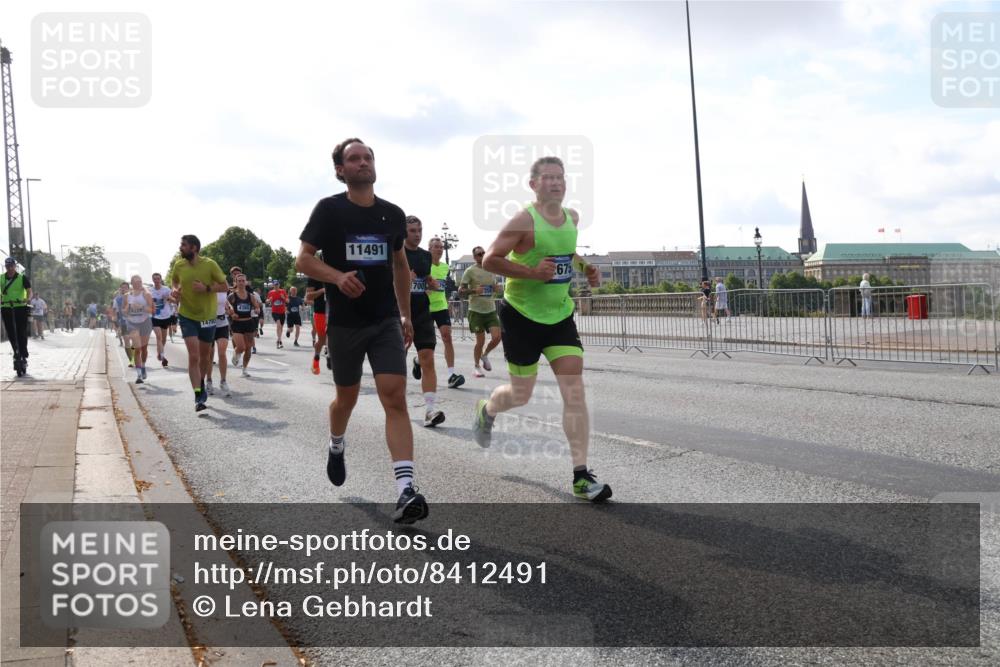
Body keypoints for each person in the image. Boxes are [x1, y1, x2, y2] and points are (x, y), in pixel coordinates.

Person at [295, 137, 427, 523]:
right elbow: (303, 260)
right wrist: (337, 277)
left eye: (368, 156)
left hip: (384, 320)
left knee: (395, 397)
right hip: (345, 323)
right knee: (346, 400)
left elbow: (400, 265)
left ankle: (405, 490)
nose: (363, 162)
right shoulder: (329, 210)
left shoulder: (392, 214)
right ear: (340, 170)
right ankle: (336, 444)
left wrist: (405, 315)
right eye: (354, 158)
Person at [472, 156, 611, 502]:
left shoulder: (572, 218)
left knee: (574, 391)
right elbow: (491, 259)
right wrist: (532, 273)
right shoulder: (523, 220)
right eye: (548, 177)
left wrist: (587, 268)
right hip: (521, 316)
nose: (556, 183)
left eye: (560, 177)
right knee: (521, 394)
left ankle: (581, 476)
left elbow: (567, 252)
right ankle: (488, 410)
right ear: (533, 185)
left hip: (559, 316)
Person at [170, 234, 229, 412]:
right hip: (187, 315)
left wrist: (207, 288)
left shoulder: (210, 264)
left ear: (194, 248)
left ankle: (201, 383)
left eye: (184, 245)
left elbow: (225, 286)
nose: (180, 247)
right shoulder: (179, 265)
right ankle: (198, 395)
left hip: (208, 316)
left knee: (205, 357)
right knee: (194, 356)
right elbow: (174, 281)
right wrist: (175, 290)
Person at [403, 216, 446, 427]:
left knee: (428, 358)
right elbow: (384, 284)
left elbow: (425, 278)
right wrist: (404, 280)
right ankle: (397, 407)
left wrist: (431, 282)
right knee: (396, 363)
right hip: (399, 314)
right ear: (403, 232)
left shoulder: (425, 256)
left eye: (419, 230)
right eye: (412, 230)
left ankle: (430, 410)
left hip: (421, 312)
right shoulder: (395, 254)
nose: (417, 234)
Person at [460, 246, 503, 377]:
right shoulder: (470, 271)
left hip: (490, 309)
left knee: (497, 337)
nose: (482, 255)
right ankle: (476, 366)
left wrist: (496, 288)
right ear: (474, 257)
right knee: (480, 341)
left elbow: (494, 287)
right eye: (479, 254)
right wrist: (474, 291)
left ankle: (485, 355)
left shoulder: (491, 269)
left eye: (484, 253)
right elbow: (461, 291)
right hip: (476, 311)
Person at [427, 237, 464, 388]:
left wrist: (448, 301)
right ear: (429, 249)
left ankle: (451, 375)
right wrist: (425, 290)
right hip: (425, 307)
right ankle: (418, 361)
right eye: (436, 246)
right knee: (428, 343)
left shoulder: (445, 267)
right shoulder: (424, 265)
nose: (440, 249)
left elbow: (443, 287)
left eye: (441, 247)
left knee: (447, 337)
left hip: (441, 307)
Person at [1, 257, 31, 375]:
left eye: (11, 266)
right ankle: (16, 352)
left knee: (21, 331)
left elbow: (29, 290)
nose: (10, 268)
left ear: (15, 266)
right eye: (7, 266)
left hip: (20, 307)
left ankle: (23, 352)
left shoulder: (22, 277)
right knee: (11, 332)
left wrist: (27, 299)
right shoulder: (1, 278)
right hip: (6, 307)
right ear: (5, 267)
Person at [228, 272, 260, 377]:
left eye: (243, 281)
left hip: (248, 322)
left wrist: (257, 310)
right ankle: (236, 354)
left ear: (246, 282)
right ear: (236, 283)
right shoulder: (232, 296)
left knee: (248, 348)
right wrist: (231, 314)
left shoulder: (251, 296)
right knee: (241, 347)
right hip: (237, 324)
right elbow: (226, 308)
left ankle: (245, 369)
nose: (241, 283)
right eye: (239, 281)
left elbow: (257, 306)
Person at [124, 275, 154, 384]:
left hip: (145, 322)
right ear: (132, 283)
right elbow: (124, 311)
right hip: (132, 324)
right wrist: (128, 308)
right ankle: (139, 375)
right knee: (137, 349)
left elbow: (152, 310)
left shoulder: (146, 294)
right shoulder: (127, 296)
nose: (138, 284)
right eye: (136, 282)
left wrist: (141, 307)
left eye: (140, 282)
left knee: (144, 349)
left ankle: (143, 365)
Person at [206, 290, 233, 397]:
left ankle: (223, 381)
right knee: (209, 355)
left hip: (222, 323)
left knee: (222, 353)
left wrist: (230, 307)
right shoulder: (206, 287)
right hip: (208, 323)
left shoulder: (223, 288)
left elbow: (225, 301)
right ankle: (209, 381)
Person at [150, 272, 176, 367]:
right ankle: (162, 356)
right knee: (159, 337)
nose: (156, 280)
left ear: (161, 279)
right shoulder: (150, 291)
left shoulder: (166, 289)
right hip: (155, 317)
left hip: (165, 317)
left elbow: (175, 300)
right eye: (155, 279)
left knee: (164, 339)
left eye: (158, 279)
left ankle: (160, 352)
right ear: (152, 280)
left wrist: (168, 298)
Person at [305, 274, 328, 375]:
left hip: (335, 311)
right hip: (320, 312)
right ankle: (316, 357)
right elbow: (308, 297)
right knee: (322, 340)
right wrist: (322, 291)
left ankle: (331, 357)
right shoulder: (314, 276)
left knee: (334, 337)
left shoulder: (337, 272)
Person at [267, 280, 288, 347]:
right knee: (278, 325)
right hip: (275, 311)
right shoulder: (271, 292)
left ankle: (279, 339)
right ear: (273, 285)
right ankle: (279, 340)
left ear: (279, 285)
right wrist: (269, 300)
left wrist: (283, 298)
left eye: (277, 284)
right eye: (275, 285)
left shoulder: (283, 291)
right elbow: (267, 301)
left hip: (282, 312)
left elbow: (288, 301)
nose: (276, 286)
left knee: (281, 327)